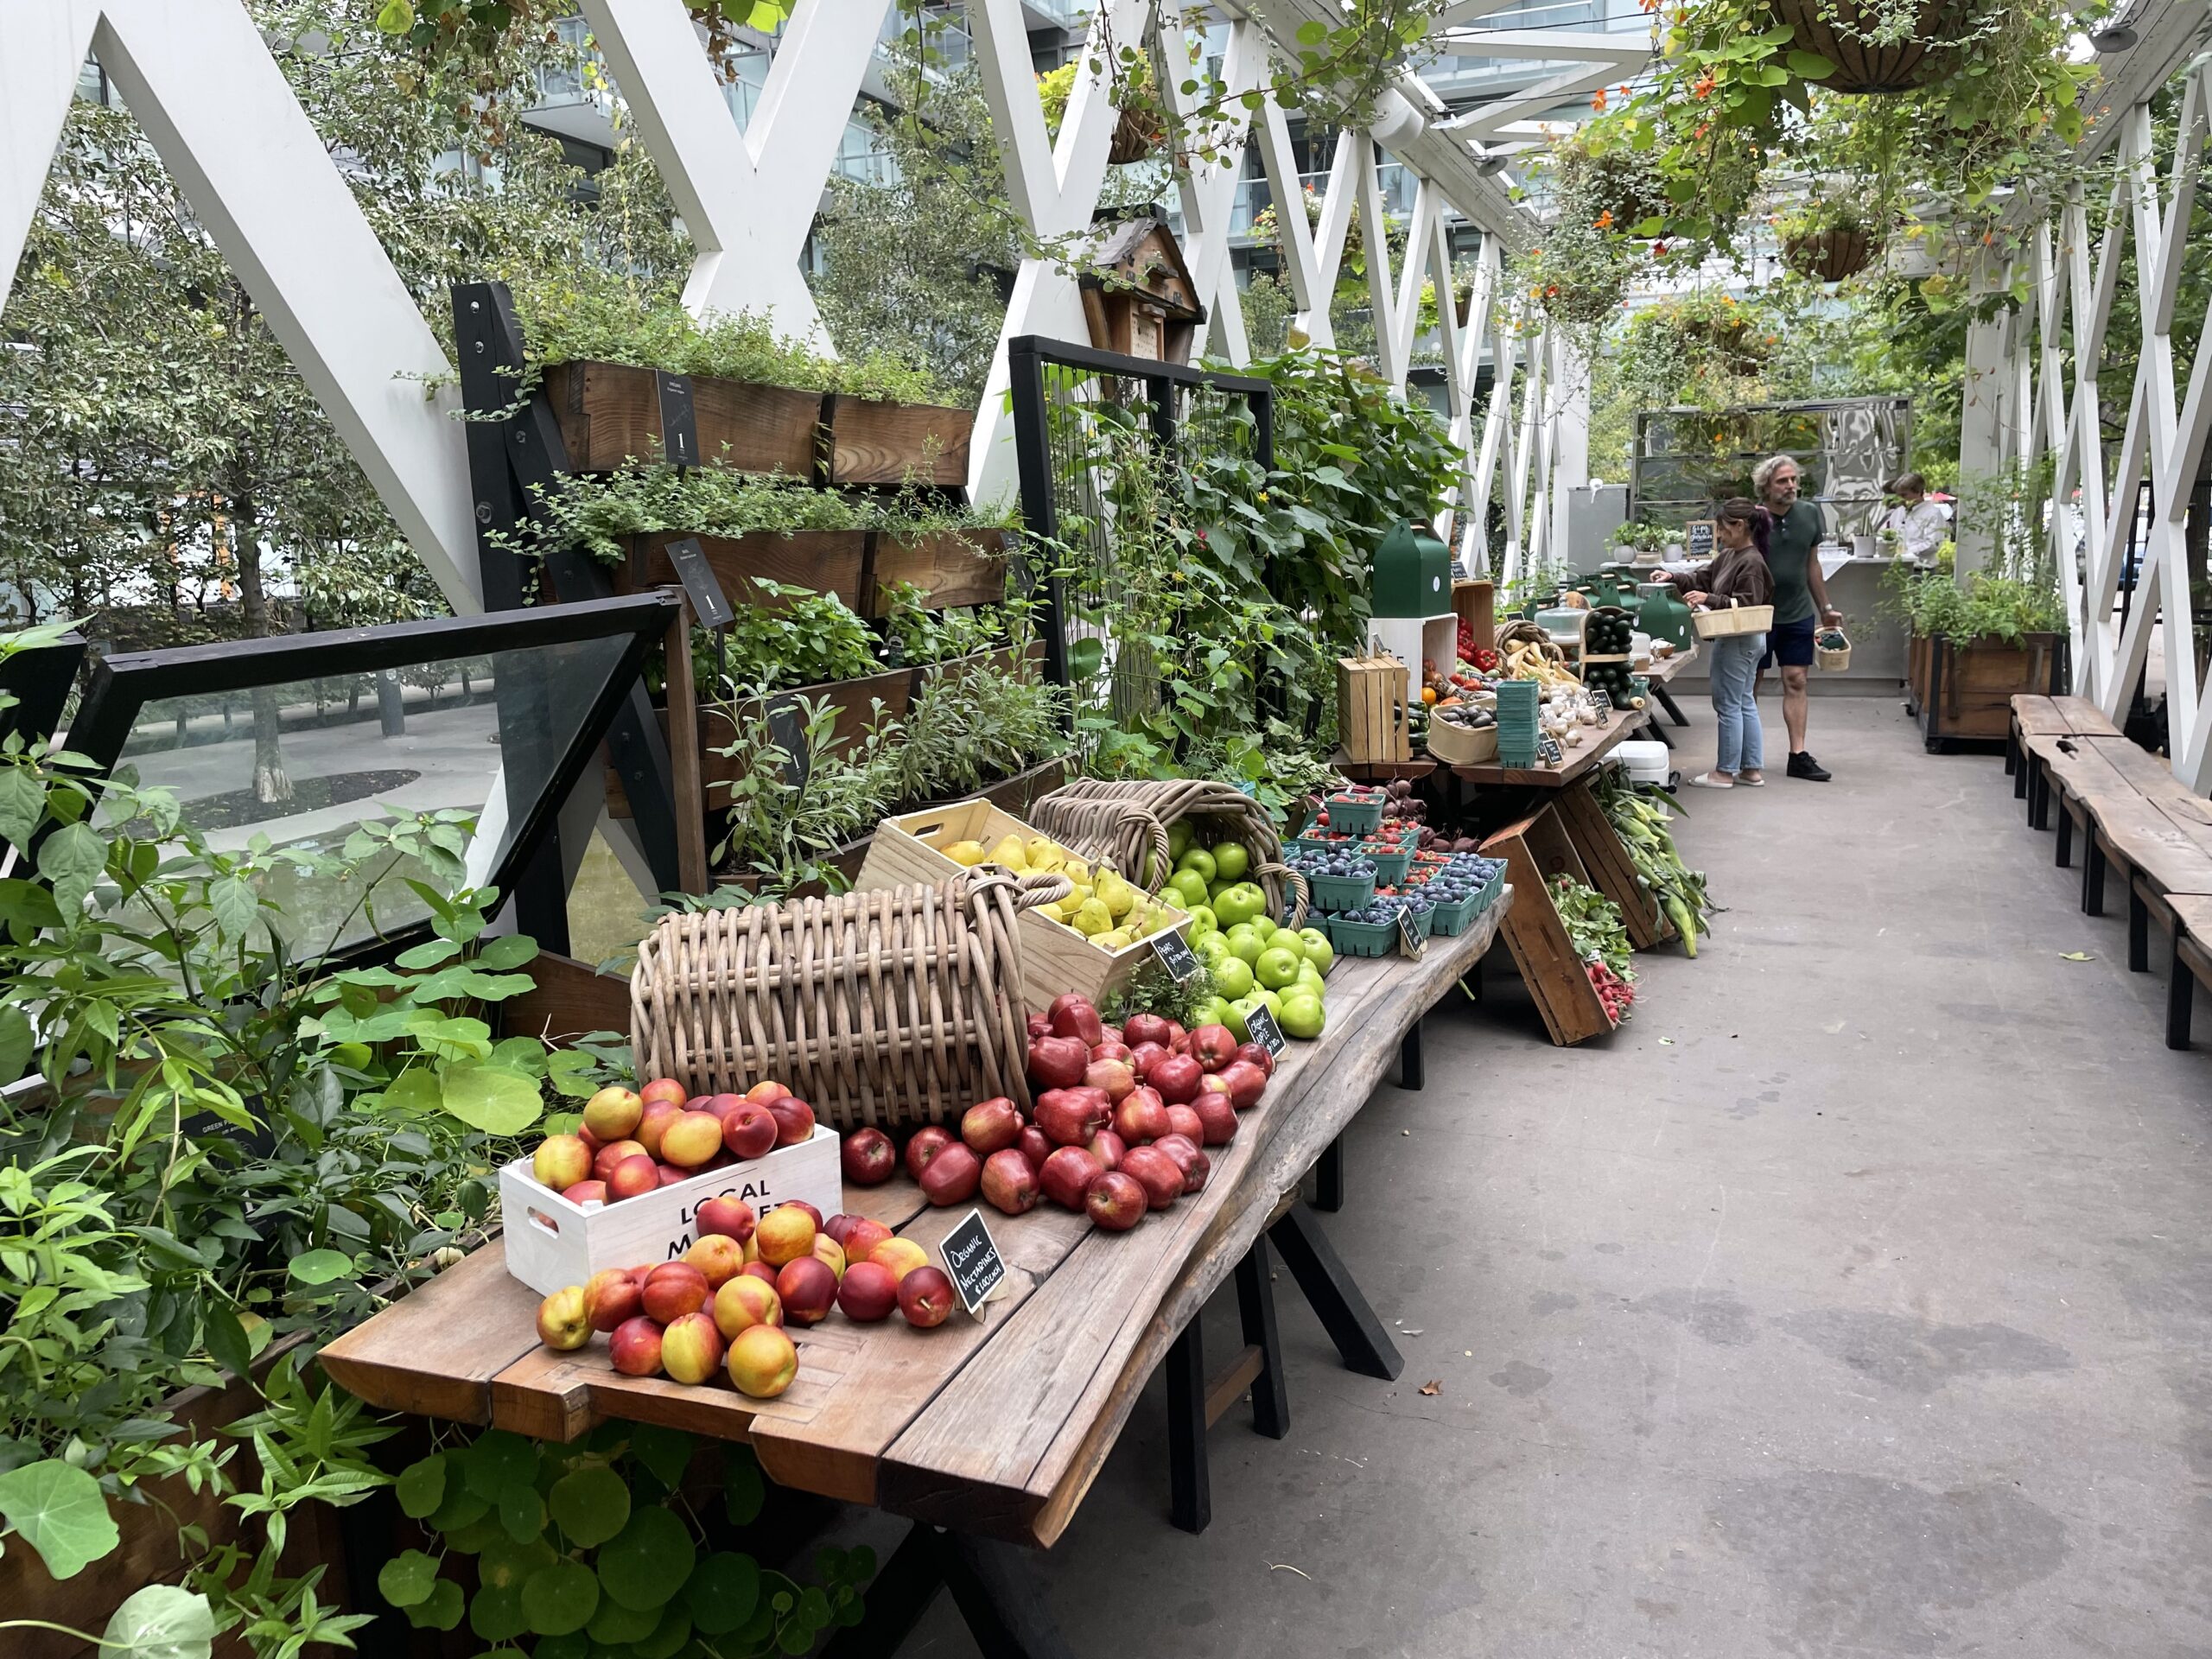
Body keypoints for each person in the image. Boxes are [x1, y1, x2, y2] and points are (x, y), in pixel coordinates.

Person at [1672, 498, 1776, 788]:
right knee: (1744, 702)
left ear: (1739, 526)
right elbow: (1702, 577)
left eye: (1722, 528)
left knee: (1728, 703)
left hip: (1738, 639)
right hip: (1749, 640)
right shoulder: (1732, 555)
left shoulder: (1751, 561)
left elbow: (1748, 603)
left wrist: (1709, 599)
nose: (1719, 534)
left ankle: (1724, 772)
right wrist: (1673, 577)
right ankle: (1750, 769)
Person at [1751, 454, 1843, 781]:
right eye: (1782, 481)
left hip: (1798, 613)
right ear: (1766, 486)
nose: (1791, 486)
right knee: (1752, 683)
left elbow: (1812, 564)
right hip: (1759, 614)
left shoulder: (1809, 514)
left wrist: (1826, 608)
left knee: (1797, 680)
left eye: (1793, 480)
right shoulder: (1753, 518)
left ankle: (1798, 755)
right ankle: (1746, 755)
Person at [1882, 472, 1951, 563]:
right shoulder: (1898, 512)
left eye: (1904, 495)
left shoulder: (1933, 513)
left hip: (1921, 568)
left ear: (1918, 492)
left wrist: (1906, 553)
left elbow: (1933, 544)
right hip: (1898, 566)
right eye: (1898, 495)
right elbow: (1889, 535)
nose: (1900, 499)